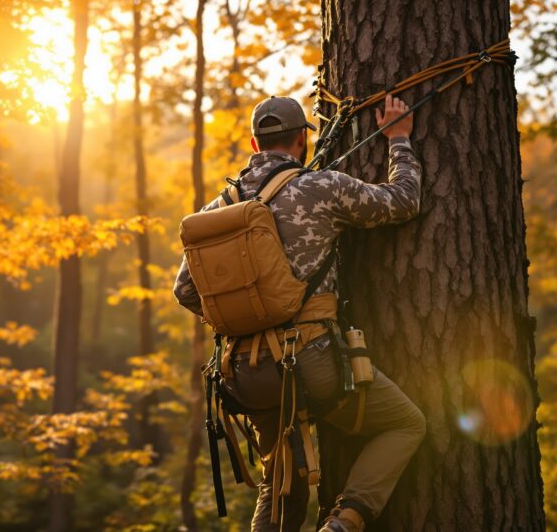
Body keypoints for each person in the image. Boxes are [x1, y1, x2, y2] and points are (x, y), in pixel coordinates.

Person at [173, 95, 426, 532]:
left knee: (281, 481)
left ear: (254, 144)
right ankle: (346, 522)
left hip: (244, 373)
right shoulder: (321, 187)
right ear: (301, 143)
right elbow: (403, 201)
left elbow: (184, 290)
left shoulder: (218, 208)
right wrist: (399, 140)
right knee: (405, 423)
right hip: (311, 362)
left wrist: (248, 321)